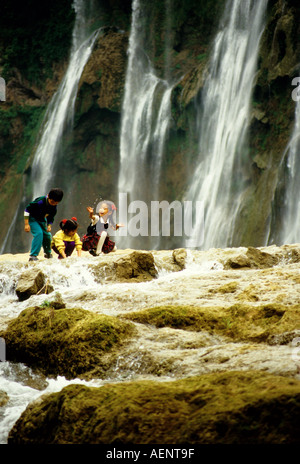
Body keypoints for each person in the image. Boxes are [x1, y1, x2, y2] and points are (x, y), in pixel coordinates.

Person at [24, 188, 64, 262]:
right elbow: (27, 210)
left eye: (56, 203)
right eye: (52, 202)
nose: (53, 204)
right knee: (39, 234)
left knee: (47, 235)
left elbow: (51, 217)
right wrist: (26, 224)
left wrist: (49, 225)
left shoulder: (54, 206)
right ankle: (33, 255)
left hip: (42, 220)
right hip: (32, 219)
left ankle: (48, 253)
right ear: (48, 196)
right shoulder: (40, 202)